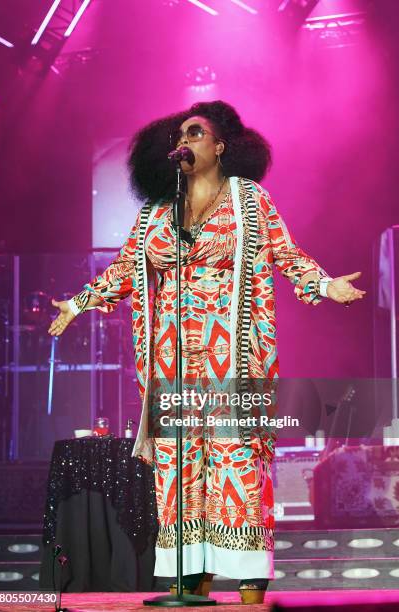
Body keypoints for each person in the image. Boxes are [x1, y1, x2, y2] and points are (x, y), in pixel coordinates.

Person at [48, 100, 365, 603]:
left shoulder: (250, 200)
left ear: (221, 146)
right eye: (180, 134)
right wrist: (78, 303)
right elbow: (126, 270)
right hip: (172, 362)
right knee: (179, 470)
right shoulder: (156, 210)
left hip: (232, 357)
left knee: (236, 463)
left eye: (196, 133)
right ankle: (190, 585)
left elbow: (286, 254)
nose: (186, 140)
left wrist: (326, 286)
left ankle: (249, 589)